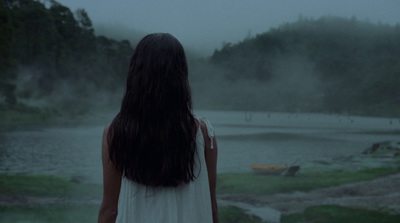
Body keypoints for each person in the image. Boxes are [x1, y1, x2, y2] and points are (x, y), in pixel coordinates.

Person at [98, 33, 219, 223]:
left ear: (135, 75)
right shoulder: (204, 133)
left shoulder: (116, 133)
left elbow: (110, 210)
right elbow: (211, 206)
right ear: (181, 76)